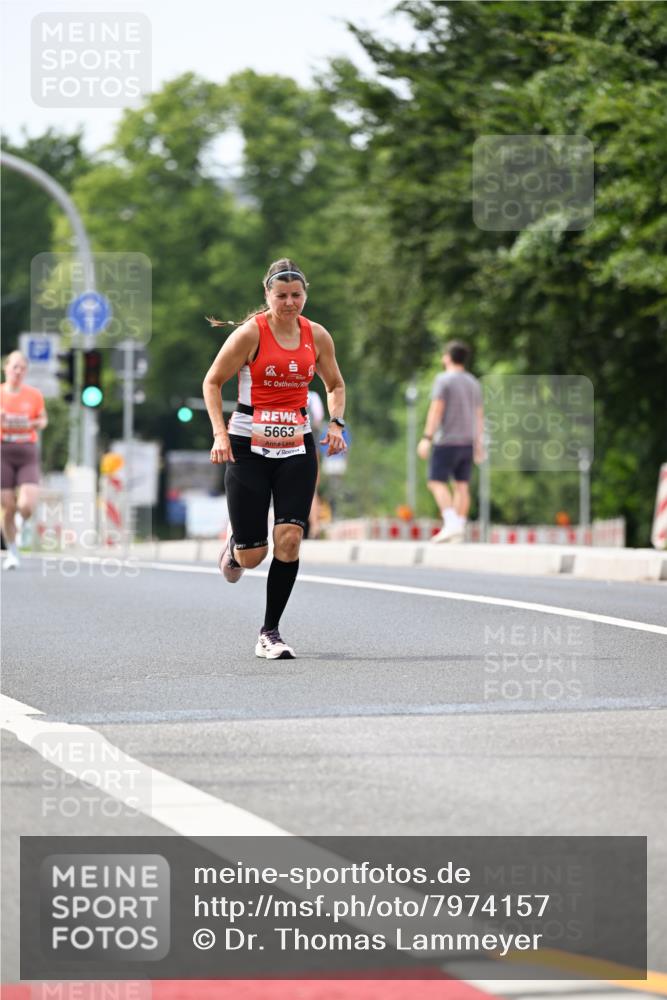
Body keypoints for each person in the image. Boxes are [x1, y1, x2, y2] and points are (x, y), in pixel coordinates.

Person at [203, 259, 346, 659]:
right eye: (281, 295)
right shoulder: (251, 333)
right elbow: (212, 382)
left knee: (290, 539)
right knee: (253, 556)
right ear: (267, 295)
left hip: (297, 447)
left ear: (305, 295)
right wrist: (219, 433)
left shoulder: (317, 335)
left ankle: (270, 632)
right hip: (247, 448)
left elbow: (335, 384)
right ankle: (236, 545)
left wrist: (336, 423)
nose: (289, 303)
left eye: (296, 295)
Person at [417, 340, 483, 544]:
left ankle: (451, 523)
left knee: (436, 482)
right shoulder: (474, 382)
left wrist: (427, 438)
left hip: (446, 440)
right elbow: (479, 415)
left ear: (447, 357)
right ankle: (459, 528)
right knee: (462, 486)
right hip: (468, 441)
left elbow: (436, 409)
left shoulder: (443, 380)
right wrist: (479, 444)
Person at [1, 350, 48, 569]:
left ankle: (22, 521)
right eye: (15, 367)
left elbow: (43, 420)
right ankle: (12, 552)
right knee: (7, 506)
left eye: (22, 368)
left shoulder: (34, 395)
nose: (18, 371)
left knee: (26, 505)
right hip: (3, 450)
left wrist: (33, 423)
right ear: (6, 368)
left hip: (27, 450)